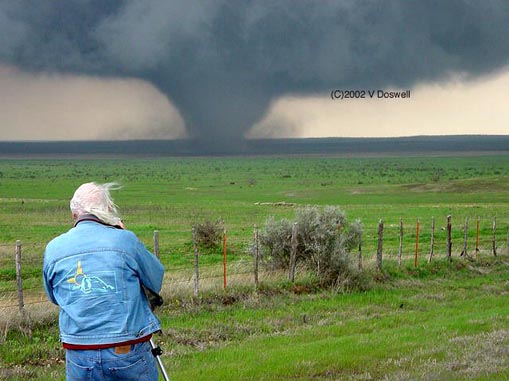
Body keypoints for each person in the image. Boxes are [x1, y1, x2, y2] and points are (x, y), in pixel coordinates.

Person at [43, 182, 164, 381]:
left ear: (74, 215)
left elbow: (54, 296)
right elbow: (155, 279)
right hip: (126, 347)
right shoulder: (125, 240)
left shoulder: (53, 249)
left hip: (78, 351)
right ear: (108, 211)